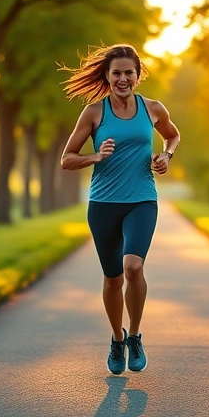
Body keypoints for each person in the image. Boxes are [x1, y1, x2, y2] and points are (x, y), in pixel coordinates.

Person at [60, 44, 181, 375]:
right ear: (107, 75)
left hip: (142, 199)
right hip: (103, 205)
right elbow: (66, 159)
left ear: (137, 75)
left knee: (132, 268)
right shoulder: (94, 113)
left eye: (129, 72)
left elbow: (172, 136)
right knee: (113, 278)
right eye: (117, 73)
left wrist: (165, 156)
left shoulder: (153, 108)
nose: (123, 78)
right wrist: (94, 157)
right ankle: (117, 338)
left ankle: (136, 336)